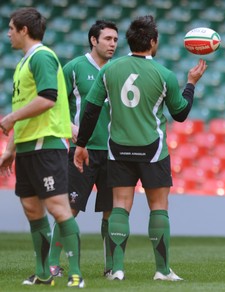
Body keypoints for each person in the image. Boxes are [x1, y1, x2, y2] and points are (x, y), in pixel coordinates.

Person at [73, 15, 207, 281]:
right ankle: (162, 270)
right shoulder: (164, 74)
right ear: (153, 42)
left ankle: (117, 269)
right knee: (158, 207)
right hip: (153, 150)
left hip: (118, 150)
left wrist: (81, 144)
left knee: (120, 206)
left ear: (128, 41)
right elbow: (180, 114)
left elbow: (90, 111)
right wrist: (191, 83)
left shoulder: (109, 70)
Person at [0, 7, 84, 288]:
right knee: (31, 209)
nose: (8, 33)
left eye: (12, 28)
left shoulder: (42, 57)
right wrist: (10, 149)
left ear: (24, 30)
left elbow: (48, 98)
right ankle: (43, 274)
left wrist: (10, 119)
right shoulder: (24, 63)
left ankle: (75, 273)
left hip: (47, 143)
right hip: (27, 146)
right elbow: (24, 108)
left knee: (58, 208)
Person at [48, 20, 119, 278]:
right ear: (93, 40)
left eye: (115, 40)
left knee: (112, 212)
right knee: (69, 208)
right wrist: (70, 128)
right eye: (108, 39)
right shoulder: (74, 68)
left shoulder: (118, 70)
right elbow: (52, 104)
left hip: (114, 151)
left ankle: (111, 267)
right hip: (82, 150)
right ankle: (52, 263)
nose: (113, 44)